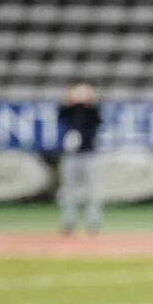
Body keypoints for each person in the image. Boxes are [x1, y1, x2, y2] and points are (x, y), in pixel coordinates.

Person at [57, 82, 103, 234]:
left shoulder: (92, 111)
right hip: (71, 155)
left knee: (93, 190)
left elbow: (97, 118)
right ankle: (69, 222)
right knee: (69, 190)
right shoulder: (69, 110)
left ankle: (93, 223)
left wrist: (88, 101)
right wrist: (71, 100)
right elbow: (61, 114)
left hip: (89, 153)